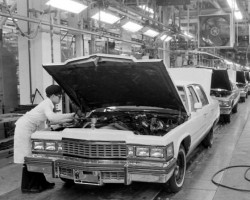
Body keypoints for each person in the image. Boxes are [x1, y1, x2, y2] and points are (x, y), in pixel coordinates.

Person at [14, 85, 76, 193]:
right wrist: (71, 115)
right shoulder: (47, 103)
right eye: (59, 96)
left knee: (35, 156)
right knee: (29, 158)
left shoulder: (48, 103)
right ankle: (28, 187)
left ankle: (41, 183)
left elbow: (51, 121)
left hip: (29, 128)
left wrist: (68, 119)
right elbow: (52, 118)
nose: (60, 98)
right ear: (52, 96)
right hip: (24, 129)